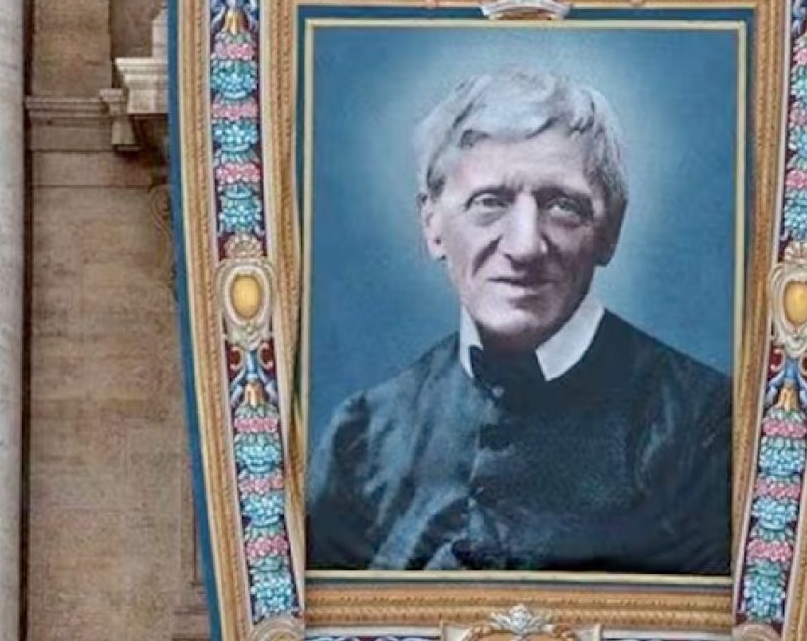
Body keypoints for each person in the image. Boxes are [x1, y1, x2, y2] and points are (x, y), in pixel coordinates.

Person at [306, 69, 732, 574]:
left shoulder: (705, 427)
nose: (525, 245)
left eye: (562, 205)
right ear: (432, 224)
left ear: (610, 229)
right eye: (490, 202)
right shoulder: (361, 435)